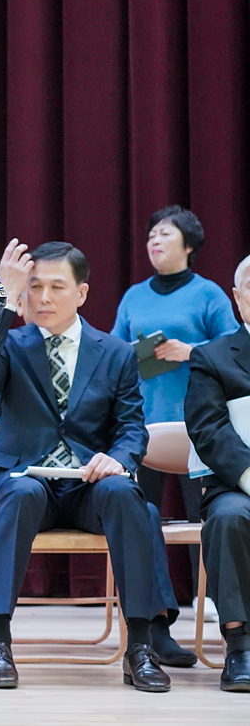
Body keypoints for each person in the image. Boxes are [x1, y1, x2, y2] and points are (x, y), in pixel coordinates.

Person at [0, 240, 174, 692]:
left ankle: (139, 646)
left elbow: (131, 429)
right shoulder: (12, 343)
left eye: (56, 287)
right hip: (31, 481)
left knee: (125, 495)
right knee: (18, 492)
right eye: (35, 286)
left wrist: (117, 459)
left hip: (88, 486)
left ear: (81, 293)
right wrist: (4, 297)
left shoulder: (117, 352)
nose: (43, 298)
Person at [112, 205, 238, 622]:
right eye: (151, 235)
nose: (155, 240)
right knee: (138, 516)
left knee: (210, 516)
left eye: (165, 234)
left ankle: (221, 602)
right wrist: (135, 355)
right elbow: (111, 354)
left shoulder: (209, 294)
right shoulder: (134, 296)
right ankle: (150, 610)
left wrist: (190, 351)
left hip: (199, 425)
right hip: (141, 422)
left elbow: (234, 349)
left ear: (188, 244)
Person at [184, 252, 250, 692]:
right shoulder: (212, 357)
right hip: (235, 483)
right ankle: (241, 647)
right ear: (237, 298)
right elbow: (208, 429)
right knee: (230, 518)